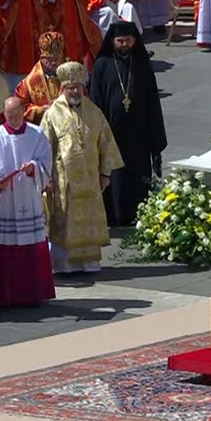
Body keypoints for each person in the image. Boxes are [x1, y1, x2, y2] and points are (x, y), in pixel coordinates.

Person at [41, 62, 124, 273]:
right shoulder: (52, 114)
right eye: (71, 87)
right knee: (64, 221)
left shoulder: (93, 111)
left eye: (78, 86)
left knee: (88, 220)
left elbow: (105, 142)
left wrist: (106, 172)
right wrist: (45, 178)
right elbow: (43, 148)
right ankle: (64, 265)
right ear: (62, 88)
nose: (76, 91)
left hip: (90, 179)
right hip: (63, 182)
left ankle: (89, 263)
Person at [88, 21, 167, 228]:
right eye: (120, 41)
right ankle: (113, 216)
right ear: (112, 41)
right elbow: (95, 102)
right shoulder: (102, 65)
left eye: (128, 40)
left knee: (137, 175)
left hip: (138, 133)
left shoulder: (141, 64)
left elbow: (153, 103)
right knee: (113, 175)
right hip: (110, 133)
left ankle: (138, 213)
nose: (124, 44)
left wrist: (156, 140)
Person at [0, 97, 57, 306]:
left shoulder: (37, 134)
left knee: (31, 245)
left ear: (24, 111)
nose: (13, 119)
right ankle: (5, 294)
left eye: (16, 115)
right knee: (6, 246)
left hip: (28, 194)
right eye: (9, 116)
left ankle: (34, 293)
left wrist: (34, 168)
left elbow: (46, 161)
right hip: (7, 198)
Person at [14, 31, 65, 124]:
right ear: (42, 59)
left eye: (57, 58)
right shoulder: (27, 84)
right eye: (49, 59)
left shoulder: (68, 77)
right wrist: (39, 111)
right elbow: (19, 107)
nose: (54, 63)